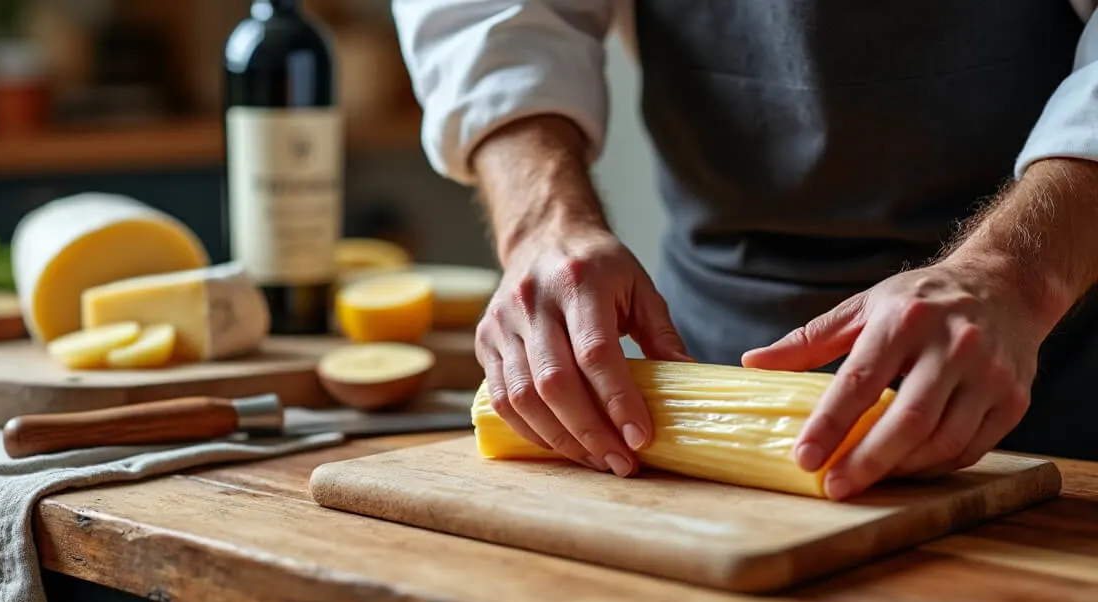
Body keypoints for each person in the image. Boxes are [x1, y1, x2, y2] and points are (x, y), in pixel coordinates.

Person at [390, 0, 1098, 500]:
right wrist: (542, 226)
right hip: (708, 328)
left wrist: (1016, 272)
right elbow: (490, 13)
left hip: (1064, 370)